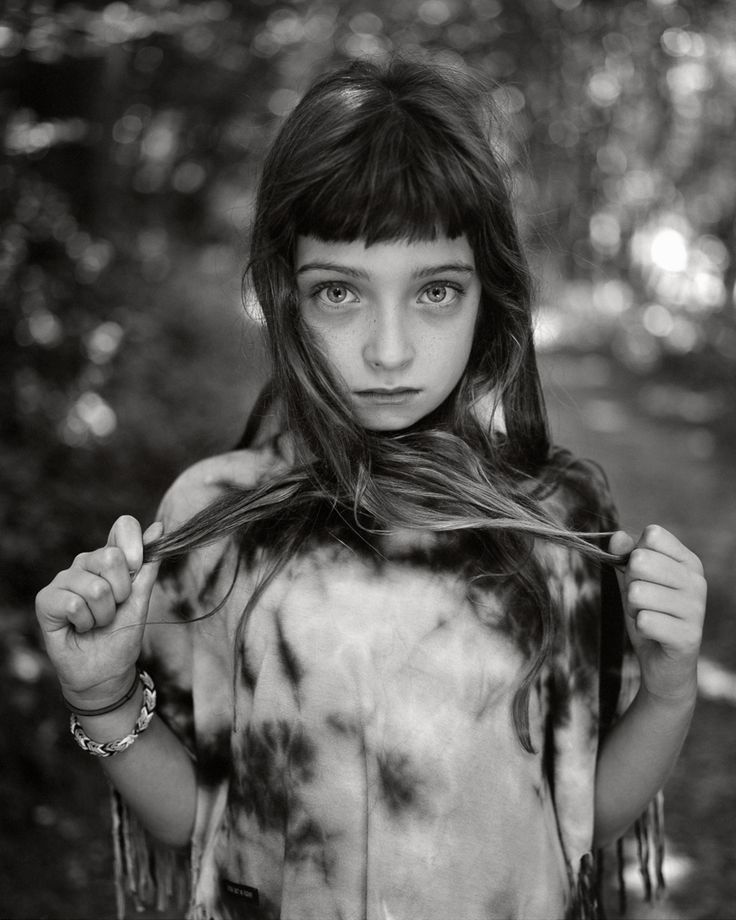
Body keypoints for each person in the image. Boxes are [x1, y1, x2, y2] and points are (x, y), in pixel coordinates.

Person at [35, 58, 706, 920]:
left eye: (435, 291)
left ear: (489, 298)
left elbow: (584, 819)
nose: (389, 351)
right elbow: (193, 823)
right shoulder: (213, 518)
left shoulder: (556, 516)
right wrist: (104, 696)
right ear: (284, 296)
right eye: (340, 293)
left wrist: (669, 688)